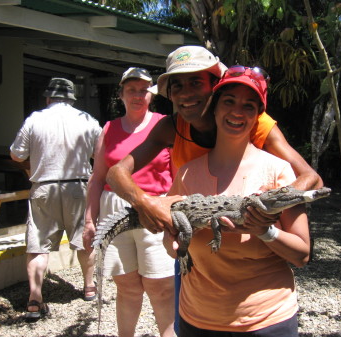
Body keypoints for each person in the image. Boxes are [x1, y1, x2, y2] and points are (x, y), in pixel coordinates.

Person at [106, 45, 323, 333]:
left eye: (196, 82)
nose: (186, 93)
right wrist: (146, 204)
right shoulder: (172, 128)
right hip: (197, 254)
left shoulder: (254, 123)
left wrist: (262, 214)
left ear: (214, 85)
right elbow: (116, 172)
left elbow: (310, 179)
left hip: (260, 295)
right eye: (177, 85)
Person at [164, 66, 309, 336]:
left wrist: (265, 231)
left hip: (266, 319)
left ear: (258, 116)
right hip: (197, 317)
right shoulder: (186, 172)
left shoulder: (278, 171)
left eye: (249, 106)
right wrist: (177, 244)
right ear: (215, 107)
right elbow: (169, 238)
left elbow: (302, 254)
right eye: (229, 101)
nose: (237, 112)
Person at [82, 68, 175, 337]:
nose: (137, 95)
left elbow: (179, 173)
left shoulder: (165, 125)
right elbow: (97, 178)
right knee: (127, 286)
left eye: (143, 89)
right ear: (121, 94)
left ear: (151, 95)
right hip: (114, 210)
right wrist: (90, 221)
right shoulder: (108, 129)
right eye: (131, 89)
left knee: (161, 287)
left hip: (155, 208)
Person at [10, 78, 101, 319]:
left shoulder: (34, 119)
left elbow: (16, 154)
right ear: (71, 99)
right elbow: (101, 155)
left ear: (48, 98)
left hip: (43, 187)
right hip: (79, 187)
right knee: (85, 240)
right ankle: (89, 287)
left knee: (38, 246)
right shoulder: (87, 120)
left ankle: (34, 298)